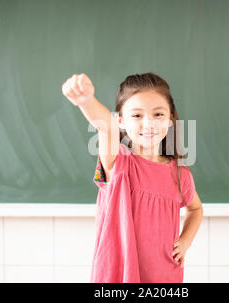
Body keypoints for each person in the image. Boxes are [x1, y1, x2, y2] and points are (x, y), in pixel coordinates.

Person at [62, 72, 203, 283]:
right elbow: (105, 127)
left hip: (164, 278)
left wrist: (185, 241)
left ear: (171, 119)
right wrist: (86, 101)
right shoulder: (118, 163)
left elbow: (196, 209)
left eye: (158, 114)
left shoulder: (180, 174)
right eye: (137, 115)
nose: (148, 123)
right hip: (118, 278)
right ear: (121, 120)